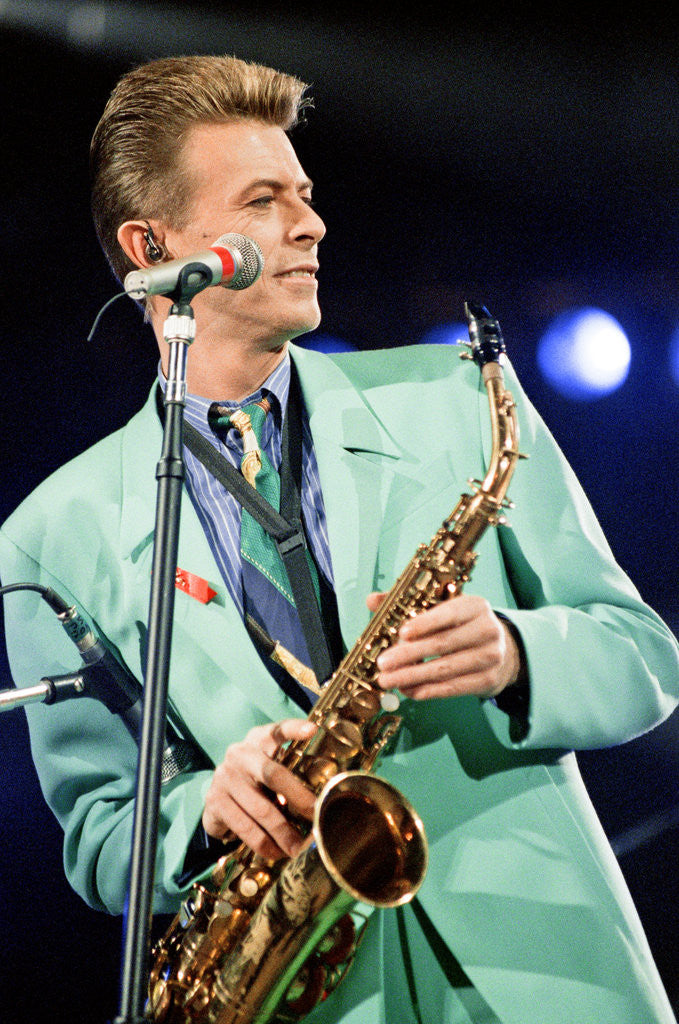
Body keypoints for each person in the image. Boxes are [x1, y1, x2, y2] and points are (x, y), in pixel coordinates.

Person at [1, 53, 677, 1024]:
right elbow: (102, 839)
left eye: (306, 195)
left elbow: (645, 656)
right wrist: (202, 807)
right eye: (264, 198)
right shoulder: (44, 537)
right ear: (152, 244)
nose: (311, 223)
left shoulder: (459, 401)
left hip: (548, 972)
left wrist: (519, 653)